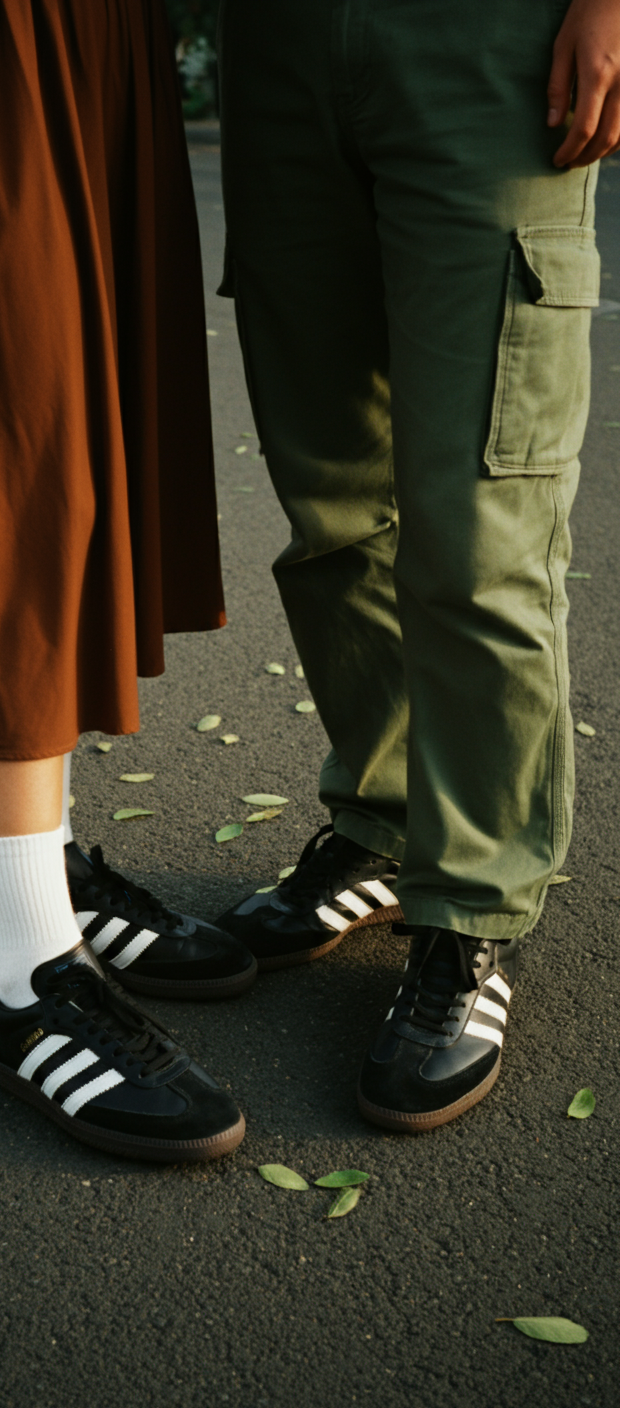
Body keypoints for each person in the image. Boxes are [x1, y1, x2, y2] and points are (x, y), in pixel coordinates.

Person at [0, 0, 252, 1162]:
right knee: (11, 448)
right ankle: (25, 969)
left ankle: (18, 866)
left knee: (88, 432)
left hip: (97, 30)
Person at [216, 0, 620, 1130]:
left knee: (483, 525)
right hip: (283, 50)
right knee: (333, 503)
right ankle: (387, 828)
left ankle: (475, 905)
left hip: (492, 46)